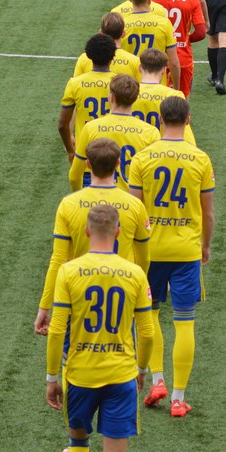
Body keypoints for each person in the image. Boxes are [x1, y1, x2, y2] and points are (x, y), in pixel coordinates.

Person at [45, 203, 154, 452]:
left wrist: (51, 377)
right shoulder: (135, 273)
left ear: (88, 231)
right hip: (121, 376)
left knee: (78, 446)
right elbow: (148, 332)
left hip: (79, 376)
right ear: (119, 232)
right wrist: (140, 369)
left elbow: (56, 330)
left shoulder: (70, 271)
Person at [127, 97, 215, 417]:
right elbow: (208, 212)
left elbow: (133, 209)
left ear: (160, 119)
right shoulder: (200, 159)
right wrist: (205, 245)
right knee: (184, 322)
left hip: (149, 251)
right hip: (185, 251)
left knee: (148, 317)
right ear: (188, 119)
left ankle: (157, 381)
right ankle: (178, 398)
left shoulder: (143, 158)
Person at [35, 138, 150, 337]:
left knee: (73, 360)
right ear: (118, 164)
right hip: (120, 296)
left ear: (88, 164)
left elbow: (58, 260)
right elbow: (144, 259)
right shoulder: (135, 206)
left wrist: (45, 307)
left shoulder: (68, 204)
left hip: (79, 294)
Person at [69, 75, 162, 192]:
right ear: (134, 99)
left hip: (99, 201)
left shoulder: (91, 128)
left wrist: (79, 193)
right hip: (130, 202)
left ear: (111, 98)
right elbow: (153, 177)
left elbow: (74, 176)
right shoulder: (151, 132)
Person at [151, 0, 206, 97]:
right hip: (182, 58)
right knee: (181, 101)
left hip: (155, 57)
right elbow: (200, 32)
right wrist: (185, 39)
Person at [60, 34, 119, 164]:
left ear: (88, 55)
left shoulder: (75, 83)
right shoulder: (119, 83)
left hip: (85, 153)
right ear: (113, 56)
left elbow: (62, 124)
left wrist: (70, 150)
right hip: (114, 151)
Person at [121, 0, 181, 88]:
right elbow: (174, 63)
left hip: (128, 87)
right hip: (157, 85)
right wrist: (176, 89)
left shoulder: (122, 24)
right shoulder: (164, 24)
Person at [133, 49, 197, 145]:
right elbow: (186, 137)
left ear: (140, 68)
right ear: (163, 70)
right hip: (163, 150)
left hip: (135, 146)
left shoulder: (130, 92)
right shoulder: (174, 95)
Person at [74, 12, 141, 81]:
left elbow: (76, 83)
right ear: (123, 34)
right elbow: (140, 87)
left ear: (101, 32)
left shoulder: (84, 58)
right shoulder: (135, 61)